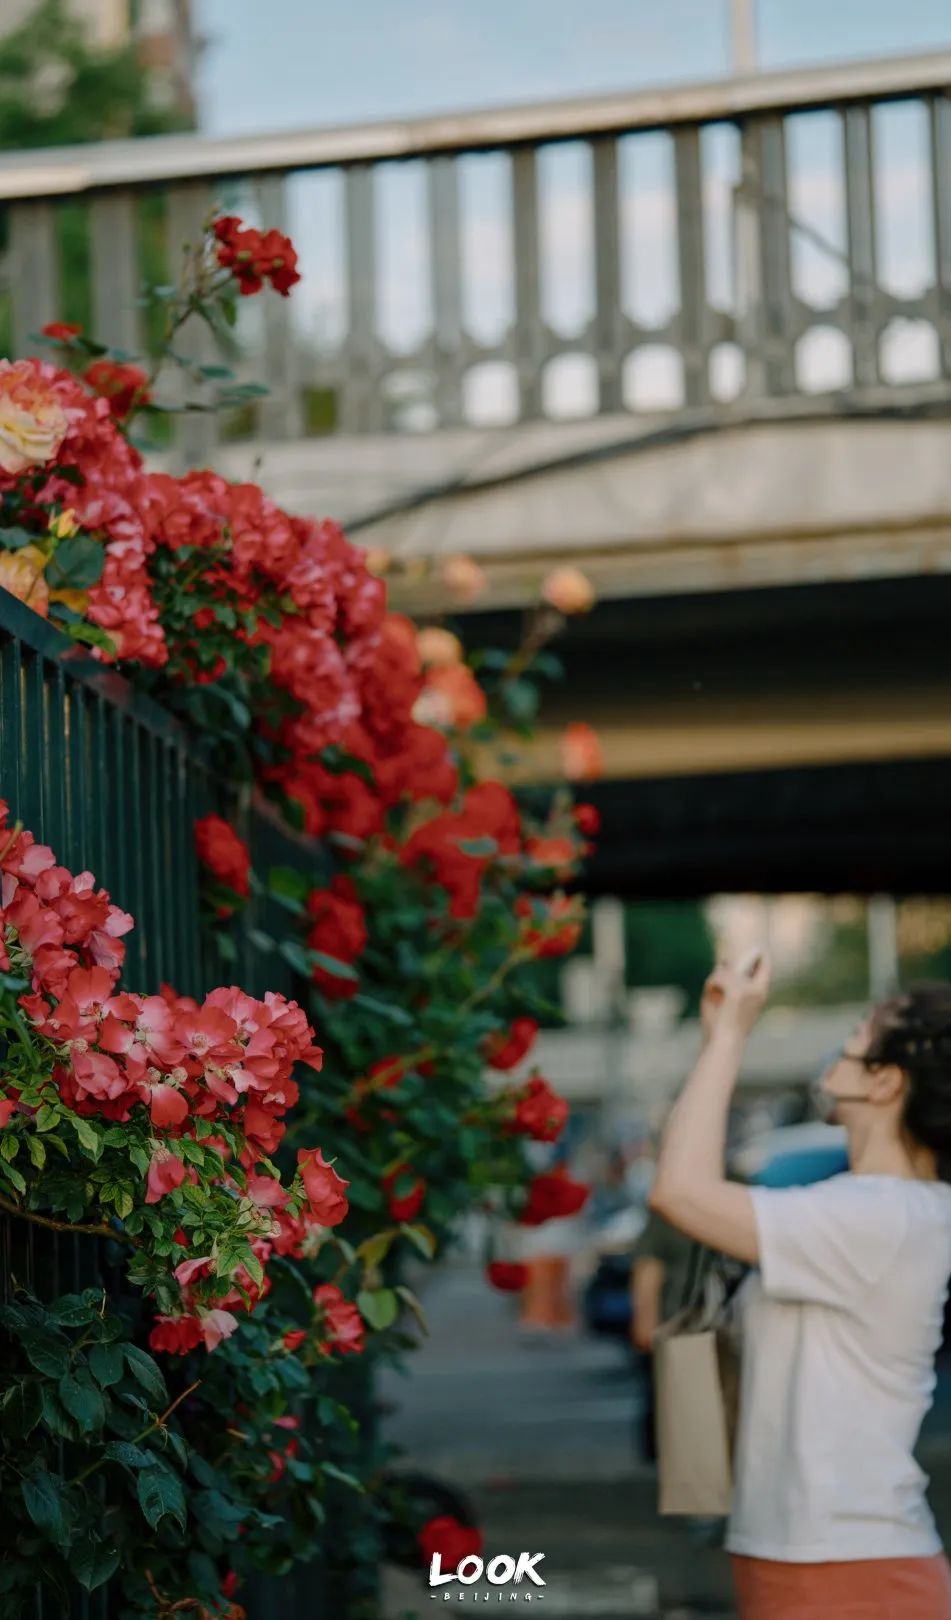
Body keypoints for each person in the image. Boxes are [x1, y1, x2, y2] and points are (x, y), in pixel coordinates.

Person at [649, 955, 951, 1620]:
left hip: (850, 1572)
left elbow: (680, 1191)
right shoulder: (871, 1209)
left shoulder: (882, 1217)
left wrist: (729, 1034)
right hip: (808, 1560)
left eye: (854, 1034)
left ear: (883, 1082)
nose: (835, 1048)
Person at [629, 1206, 700, 1461]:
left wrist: (644, 1319)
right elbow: (649, 1265)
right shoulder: (745, 1192)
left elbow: (648, 1266)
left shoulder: (672, 1201)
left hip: (678, 1321)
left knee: (670, 1402)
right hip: (688, 1322)